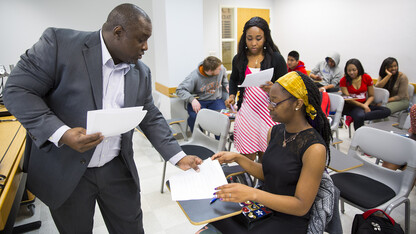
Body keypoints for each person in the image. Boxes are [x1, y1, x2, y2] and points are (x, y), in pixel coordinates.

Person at [3, 4, 202, 233]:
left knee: (131, 229)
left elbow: (150, 115)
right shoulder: (59, 44)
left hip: (116, 169)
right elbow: (17, 90)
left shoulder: (141, 72)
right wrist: (62, 133)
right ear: (118, 32)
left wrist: (177, 156)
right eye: (141, 39)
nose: (146, 47)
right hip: (66, 169)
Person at [210, 71, 332, 233]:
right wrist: (238, 157)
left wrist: (253, 194)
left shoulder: (314, 148)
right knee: (217, 217)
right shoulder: (274, 132)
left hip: (288, 218)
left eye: (275, 102)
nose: (269, 107)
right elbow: (269, 173)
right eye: (269, 100)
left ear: (298, 104)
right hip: (265, 206)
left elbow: (301, 206)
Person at [224, 16, 287, 161]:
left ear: (265, 38)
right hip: (247, 114)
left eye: (258, 38)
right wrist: (232, 96)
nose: (253, 43)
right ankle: (247, 184)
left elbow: (286, 86)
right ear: (244, 39)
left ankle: (263, 184)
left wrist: (274, 88)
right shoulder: (239, 59)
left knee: (268, 159)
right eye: (249, 38)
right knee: (247, 159)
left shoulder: (276, 58)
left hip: (269, 114)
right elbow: (233, 79)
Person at [176, 56, 229, 132]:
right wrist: (192, 100)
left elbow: (224, 80)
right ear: (210, 71)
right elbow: (180, 90)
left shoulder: (221, 69)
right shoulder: (194, 76)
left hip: (215, 100)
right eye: (218, 69)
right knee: (194, 117)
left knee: (222, 118)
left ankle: (219, 142)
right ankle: (199, 141)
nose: (221, 69)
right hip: (200, 101)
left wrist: (227, 85)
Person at [340, 58, 391, 130]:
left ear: (359, 69)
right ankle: (359, 134)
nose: (351, 73)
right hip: (351, 105)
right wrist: (364, 107)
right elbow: (348, 99)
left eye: (354, 70)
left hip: (364, 103)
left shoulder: (366, 77)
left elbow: (371, 96)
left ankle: (357, 117)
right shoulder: (343, 80)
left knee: (387, 111)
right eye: (349, 70)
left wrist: (366, 105)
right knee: (359, 115)